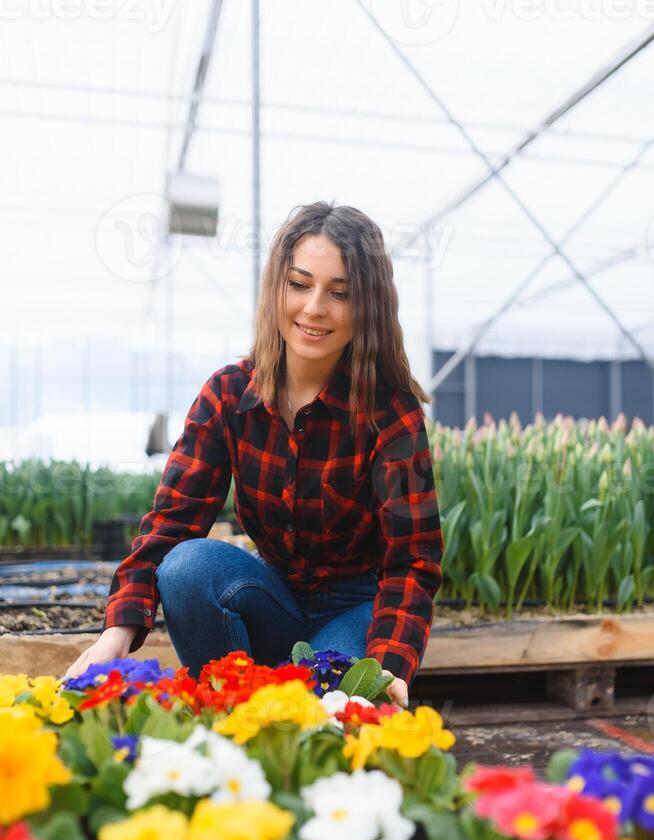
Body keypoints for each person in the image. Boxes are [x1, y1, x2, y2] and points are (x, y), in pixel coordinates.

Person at [65, 201, 444, 707]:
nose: (314, 308)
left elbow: (413, 561)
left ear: (368, 306)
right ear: (276, 289)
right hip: (268, 596)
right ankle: (231, 711)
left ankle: (284, 705)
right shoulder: (228, 395)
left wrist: (391, 664)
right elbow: (170, 523)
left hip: (356, 610)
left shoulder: (389, 415)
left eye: (340, 293)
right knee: (187, 566)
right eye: (299, 284)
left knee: (323, 709)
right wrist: (118, 629)